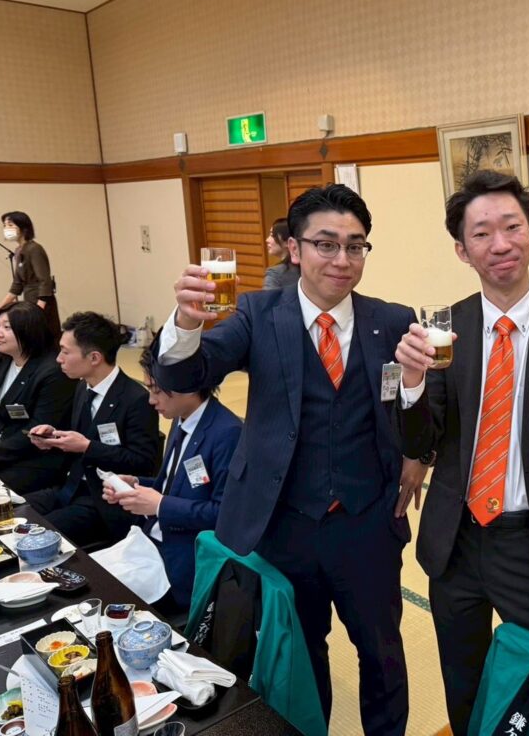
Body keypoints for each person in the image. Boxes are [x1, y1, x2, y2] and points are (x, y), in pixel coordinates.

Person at [153, 184, 418, 735]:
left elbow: (415, 405)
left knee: (383, 652)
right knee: (300, 650)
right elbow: (191, 373)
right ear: (294, 249)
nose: (341, 259)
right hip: (284, 523)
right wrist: (185, 323)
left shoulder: (391, 320)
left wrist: (419, 453)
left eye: (355, 246)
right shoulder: (257, 313)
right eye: (326, 244)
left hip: (365, 522)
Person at [393, 171, 529, 735]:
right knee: (464, 691)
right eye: (482, 233)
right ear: (462, 251)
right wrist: (411, 384)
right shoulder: (447, 329)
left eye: (512, 227)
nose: (500, 243)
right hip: (456, 544)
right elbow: (421, 443)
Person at [103, 348, 242, 611]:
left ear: (187, 388)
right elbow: (172, 484)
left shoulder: (227, 433)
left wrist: (159, 505)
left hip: (183, 558)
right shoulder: (182, 418)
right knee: (90, 575)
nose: (151, 400)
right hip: (151, 541)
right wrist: (136, 485)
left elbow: (224, 515)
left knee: (103, 595)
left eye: (156, 391)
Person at [25, 312, 162, 546]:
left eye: (65, 352)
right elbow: (81, 433)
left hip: (102, 499)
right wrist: (53, 436)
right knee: (14, 513)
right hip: (69, 486)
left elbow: (143, 462)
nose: (58, 359)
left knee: (36, 537)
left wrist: (87, 446)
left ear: (94, 357)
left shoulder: (136, 399)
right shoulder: (83, 387)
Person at [0, 302, 75, 494]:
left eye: (7, 328)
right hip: (0, 446)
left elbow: (37, 429)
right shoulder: (0, 357)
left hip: (36, 457)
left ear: (29, 331)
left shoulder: (52, 372)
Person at [0, 212, 61, 342]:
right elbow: (17, 284)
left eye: (10, 225)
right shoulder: (19, 250)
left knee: (46, 339)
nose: (6, 228)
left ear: (23, 227)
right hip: (30, 302)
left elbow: (44, 281)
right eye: (5, 225)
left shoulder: (34, 249)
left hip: (42, 302)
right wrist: (0, 308)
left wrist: (39, 309)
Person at [263, 217, 301, 289]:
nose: (267, 240)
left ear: (288, 242)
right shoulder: (307, 268)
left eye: (272, 235)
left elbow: (268, 297)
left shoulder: (275, 274)